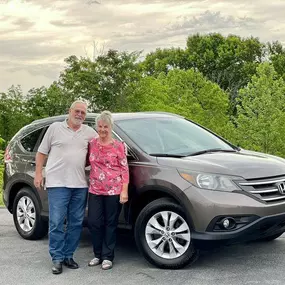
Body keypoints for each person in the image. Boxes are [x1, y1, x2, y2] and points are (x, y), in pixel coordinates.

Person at [34, 100, 97, 275]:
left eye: (83, 113)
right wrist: (39, 173)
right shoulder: (55, 128)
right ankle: (57, 258)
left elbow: (99, 149)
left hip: (79, 185)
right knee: (56, 222)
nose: (80, 115)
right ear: (69, 111)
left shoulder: (89, 133)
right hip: (57, 184)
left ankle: (68, 255)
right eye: (77, 111)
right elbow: (41, 152)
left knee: (76, 223)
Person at [87, 111, 129, 270]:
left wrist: (124, 191)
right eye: (100, 126)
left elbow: (125, 170)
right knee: (94, 222)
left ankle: (107, 256)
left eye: (106, 126)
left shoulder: (119, 146)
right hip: (95, 189)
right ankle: (97, 254)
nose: (103, 129)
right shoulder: (91, 143)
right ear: (96, 127)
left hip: (114, 190)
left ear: (111, 127)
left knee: (110, 223)